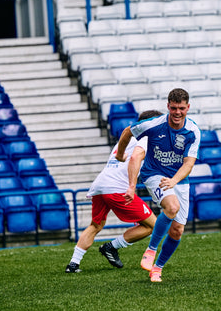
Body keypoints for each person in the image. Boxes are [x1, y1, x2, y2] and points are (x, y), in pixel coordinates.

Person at [116, 88, 201, 282]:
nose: (177, 112)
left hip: (178, 179)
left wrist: (174, 181)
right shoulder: (155, 124)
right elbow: (128, 131)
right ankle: (151, 250)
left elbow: (189, 163)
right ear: (168, 107)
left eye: (181, 108)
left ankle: (157, 269)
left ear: (188, 107)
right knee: (172, 207)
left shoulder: (193, 131)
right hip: (154, 174)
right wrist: (121, 154)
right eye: (173, 108)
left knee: (177, 230)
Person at [65, 110, 163, 273]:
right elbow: (134, 159)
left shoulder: (128, 138)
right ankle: (111, 247)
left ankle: (73, 264)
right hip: (117, 188)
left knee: (96, 225)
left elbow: (123, 158)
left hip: (101, 184)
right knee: (153, 225)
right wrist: (132, 186)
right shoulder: (146, 138)